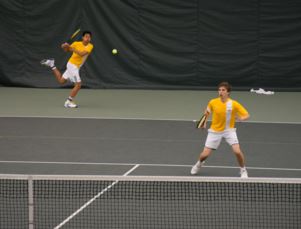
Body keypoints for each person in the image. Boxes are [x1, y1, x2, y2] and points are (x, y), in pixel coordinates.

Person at [191, 82, 250, 178]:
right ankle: (199, 164)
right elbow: (207, 113)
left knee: (237, 151)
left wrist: (241, 119)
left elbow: (247, 115)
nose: (220, 92)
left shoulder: (234, 104)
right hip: (215, 131)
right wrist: (203, 122)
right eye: (219, 90)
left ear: (228, 92)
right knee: (204, 155)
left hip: (229, 131)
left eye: (223, 90)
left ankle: (243, 170)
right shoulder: (213, 102)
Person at [41, 31, 94, 108]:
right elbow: (66, 50)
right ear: (82, 38)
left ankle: (51, 65)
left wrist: (71, 48)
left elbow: (82, 53)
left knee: (61, 81)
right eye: (86, 36)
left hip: (75, 66)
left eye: (89, 37)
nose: (87, 38)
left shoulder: (90, 46)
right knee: (78, 85)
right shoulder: (76, 43)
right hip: (72, 66)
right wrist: (64, 46)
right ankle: (68, 102)